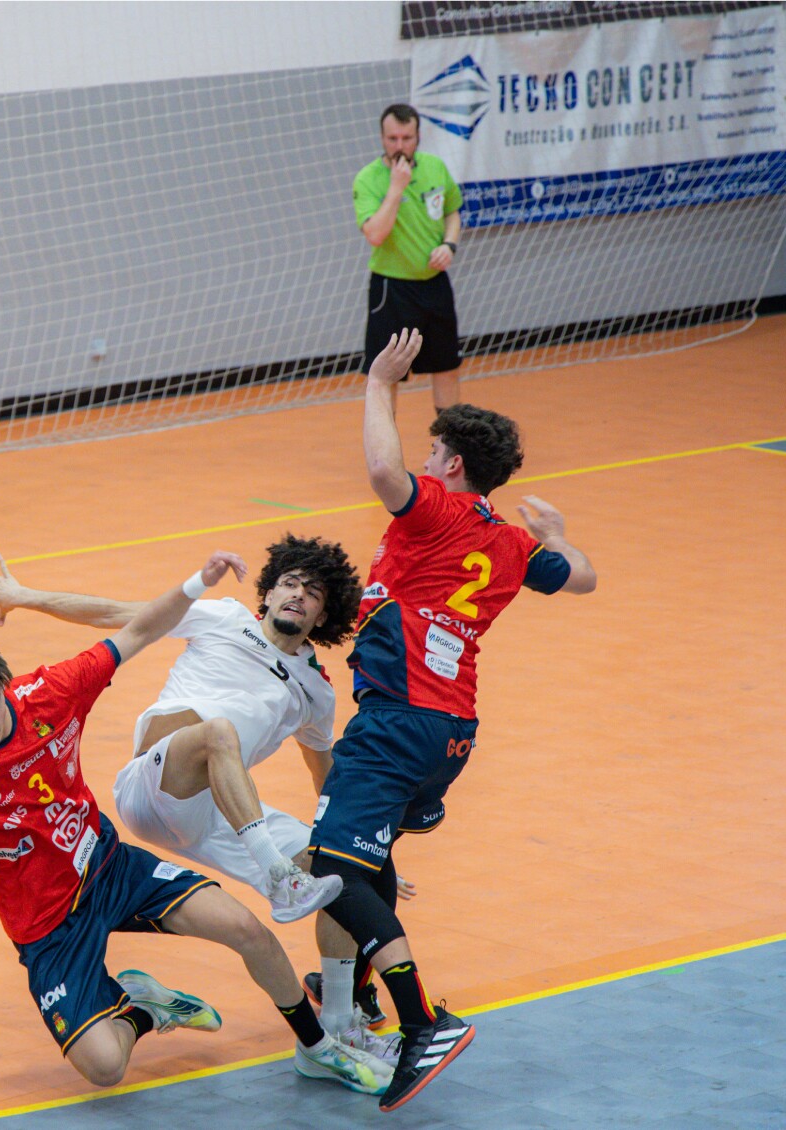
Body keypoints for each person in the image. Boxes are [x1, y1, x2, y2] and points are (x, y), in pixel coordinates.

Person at [0, 555, 395, 1097]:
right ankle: (142, 1007)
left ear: (6, 686)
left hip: (115, 867)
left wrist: (197, 579)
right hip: (49, 920)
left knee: (253, 927)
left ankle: (318, 1045)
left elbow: (137, 631)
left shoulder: (50, 693)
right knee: (105, 1068)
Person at [306, 328, 598, 1112]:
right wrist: (558, 536)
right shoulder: (511, 543)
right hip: (449, 733)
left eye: (433, 453)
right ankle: (357, 985)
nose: (424, 463)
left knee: (329, 869)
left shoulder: (438, 511)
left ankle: (421, 1022)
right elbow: (582, 580)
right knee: (366, 860)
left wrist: (379, 382)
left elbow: (381, 471)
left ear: (453, 466)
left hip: (397, 722)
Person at [355, 104, 464, 412]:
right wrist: (396, 188)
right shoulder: (367, 179)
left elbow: (452, 212)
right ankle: (385, 441)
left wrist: (449, 244)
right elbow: (375, 234)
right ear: (382, 138)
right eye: (392, 139)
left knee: (446, 367)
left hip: (434, 284)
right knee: (386, 376)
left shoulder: (435, 167)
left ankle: (450, 438)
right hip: (392, 290)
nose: (400, 146)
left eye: (407, 138)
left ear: (418, 137)